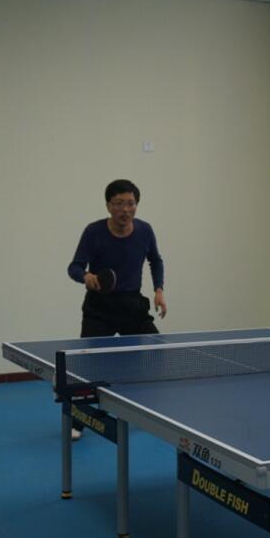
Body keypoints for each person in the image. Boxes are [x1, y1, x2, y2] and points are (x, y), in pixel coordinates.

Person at [67, 179, 167, 440]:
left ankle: (147, 410)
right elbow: (74, 267)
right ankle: (78, 419)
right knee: (87, 366)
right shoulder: (94, 232)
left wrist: (159, 290)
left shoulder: (145, 230)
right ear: (108, 206)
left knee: (156, 352)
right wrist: (85, 276)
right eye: (119, 203)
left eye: (131, 203)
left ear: (137, 205)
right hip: (99, 306)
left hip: (132, 305)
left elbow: (155, 260)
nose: (125, 209)